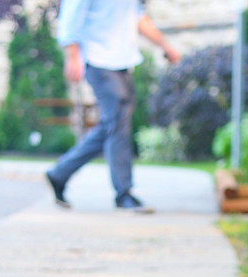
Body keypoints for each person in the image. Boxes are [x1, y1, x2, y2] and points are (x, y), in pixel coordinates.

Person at [46, 0, 181, 211]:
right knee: (117, 123)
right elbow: (70, 17)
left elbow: (138, 18)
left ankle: (60, 173)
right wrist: (72, 56)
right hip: (98, 60)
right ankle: (123, 193)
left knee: (112, 125)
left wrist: (165, 45)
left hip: (121, 61)